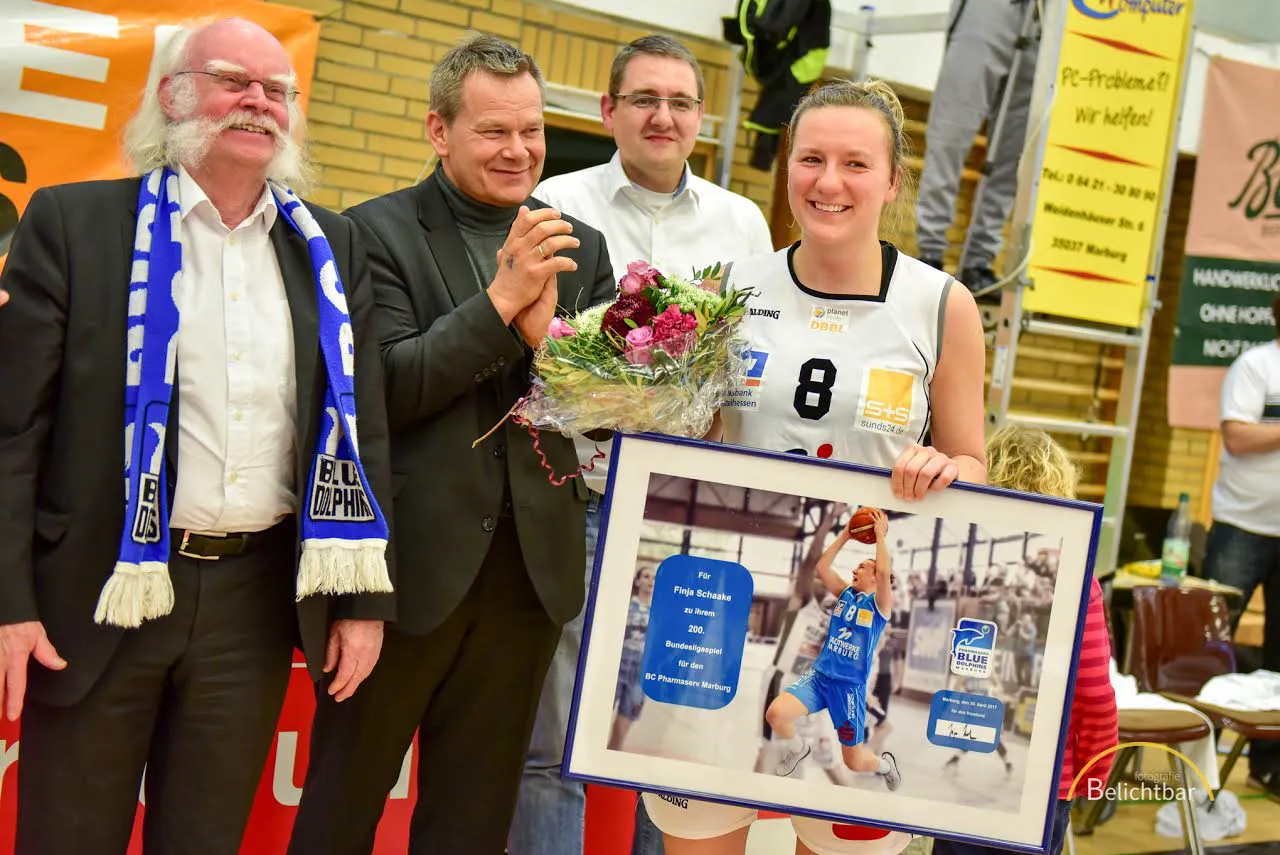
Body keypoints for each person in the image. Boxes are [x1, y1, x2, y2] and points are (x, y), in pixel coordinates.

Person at [0, 18, 393, 855]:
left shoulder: (329, 246)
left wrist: (362, 599)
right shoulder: (74, 224)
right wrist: (9, 602)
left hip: (251, 604)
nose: (258, 103)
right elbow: (13, 431)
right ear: (173, 95)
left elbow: (363, 430)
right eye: (232, 80)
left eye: (277, 90)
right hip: (96, 590)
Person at [285, 33, 615, 855]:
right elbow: (390, 387)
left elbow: (604, 412)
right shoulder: (368, 234)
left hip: (527, 577)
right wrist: (502, 303)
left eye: (532, 130)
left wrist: (552, 344)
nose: (519, 150)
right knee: (341, 806)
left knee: (471, 822)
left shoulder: (583, 246)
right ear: (439, 131)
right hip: (401, 576)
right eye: (493, 131)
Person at [640, 77, 988, 855]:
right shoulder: (728, 292)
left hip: (855, 602)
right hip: (731, 598)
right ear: (788, 167)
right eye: (811, 159)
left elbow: (976, 470)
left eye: (855, 164)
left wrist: (944, 469)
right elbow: (682, 442)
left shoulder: (941, 305)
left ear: (894, 180)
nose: (828, 182)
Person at [513, 34, 773, 855]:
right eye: (644, 100)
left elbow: (749, 370)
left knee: (670, 749)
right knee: (553, 741)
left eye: (681, 102)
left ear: (703, 117)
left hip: (685, 524)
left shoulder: (744, 224)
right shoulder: (558, 201)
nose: (663, 116)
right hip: (578, 500)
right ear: (608, 110)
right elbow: (530, 346)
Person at [931, 424, 1117, 855]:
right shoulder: (1077, 581)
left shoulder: (978, 579)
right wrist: (1095, 769)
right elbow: (1093, 691)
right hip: (1048, 784)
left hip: (964, 770)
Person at [1202, 302, 1280, 800]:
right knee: (1210, 643)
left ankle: (1268, 767)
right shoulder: (1256, 365)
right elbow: (1237, 436)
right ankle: (1194, 764)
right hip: (1241, 527)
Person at [766, 508, 900, 789]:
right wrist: (846, 535)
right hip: (820, 677)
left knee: (854, 761)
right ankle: (798, 748)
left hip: (848, 688)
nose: (854, 570)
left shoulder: (879, 606)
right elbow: (822, 567)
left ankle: (885, 765)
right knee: (776, 714)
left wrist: (878, 537)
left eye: (862, 567)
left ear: (876, 577)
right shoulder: (845, 594)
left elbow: (885, 569)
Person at [914, 0, 1040, 295]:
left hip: (1046, 18)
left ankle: (978, 262)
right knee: (950, 136)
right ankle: (930, 254)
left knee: (1014, 155)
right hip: (989, 10)